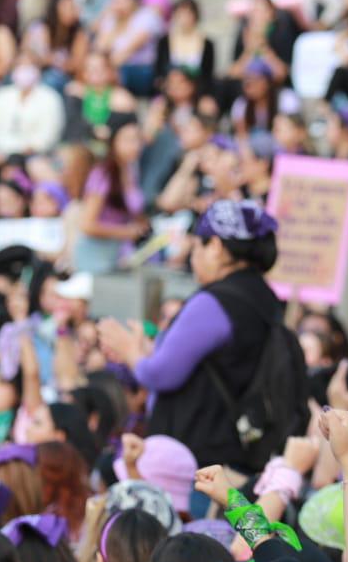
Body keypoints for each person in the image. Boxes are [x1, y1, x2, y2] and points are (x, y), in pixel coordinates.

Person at [95, 199, 283, 469]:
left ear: (216, 247)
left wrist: (129, 351)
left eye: (196, 245)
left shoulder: (215, 301)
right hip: (235, 450)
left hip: (198, 455)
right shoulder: (263, 296)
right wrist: (148, 350)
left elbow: (160, 375)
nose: (192, 256)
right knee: (239, 513)